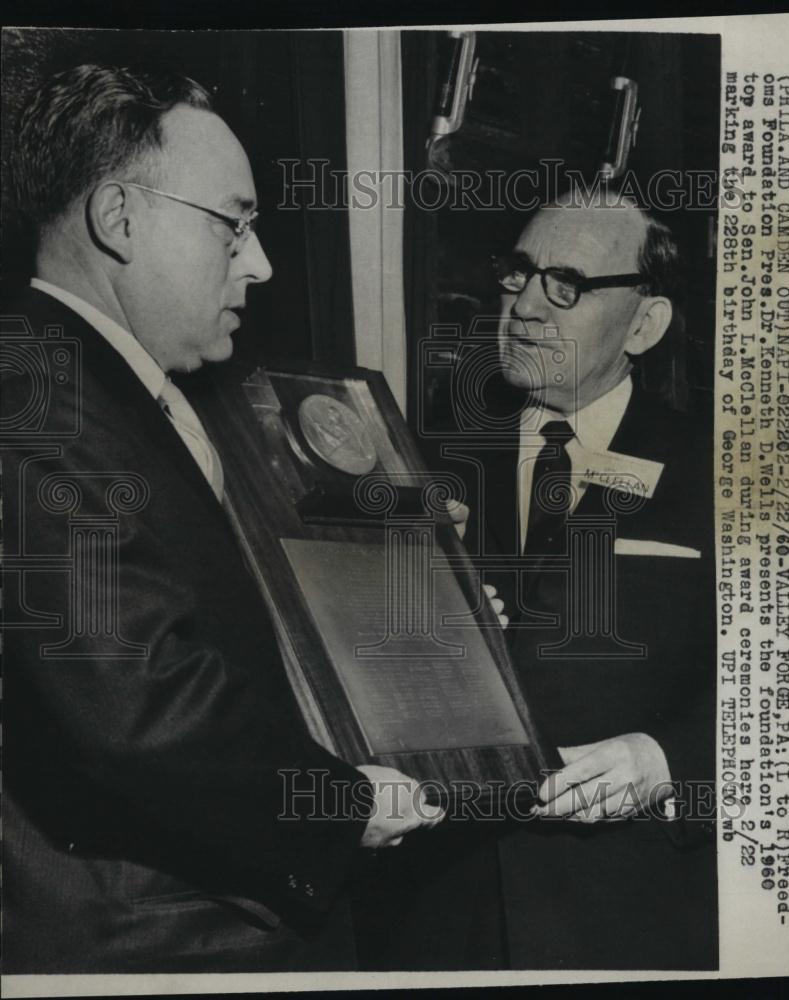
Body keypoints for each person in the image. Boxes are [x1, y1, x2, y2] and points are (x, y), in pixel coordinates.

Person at [1, 63, 442, 975]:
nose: (261, 262)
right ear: (119, 219)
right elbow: (136, 707)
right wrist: (335, 802)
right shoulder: (36, 396)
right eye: (233, 223)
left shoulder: (113, 391)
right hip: (163, 940)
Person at [482, 196, 717, 969]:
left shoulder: (731, 473)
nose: (522, 306)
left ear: (645, 326)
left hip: (631, 914)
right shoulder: (417, 455)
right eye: (518, 275)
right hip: (442, 909)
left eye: (566, 285)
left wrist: (668, 762)